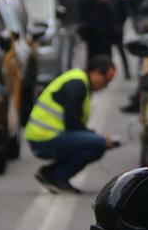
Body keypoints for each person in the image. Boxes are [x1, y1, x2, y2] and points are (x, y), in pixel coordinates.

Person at [25, 55, 118, 194]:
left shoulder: (80, 81)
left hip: (45, 136)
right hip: (44, 138)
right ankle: (57, 176)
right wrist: (99, 138)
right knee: (98, 144)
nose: (105, 86)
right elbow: (72, 123)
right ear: (96, 73)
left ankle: (50, 173)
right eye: (106, 81)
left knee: (96, 142)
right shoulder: (78, 85)